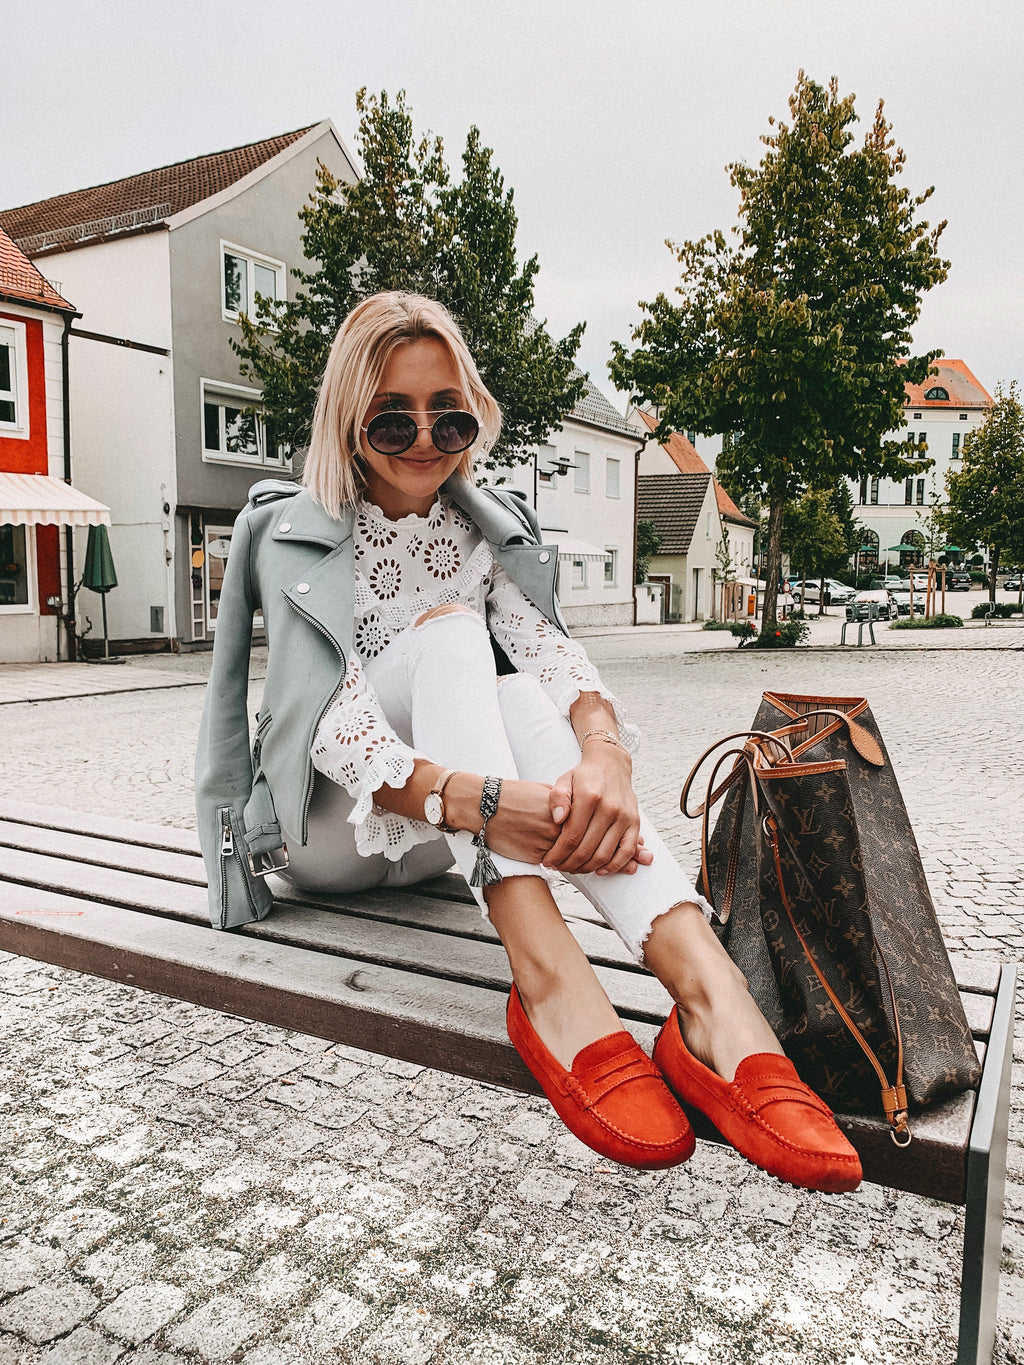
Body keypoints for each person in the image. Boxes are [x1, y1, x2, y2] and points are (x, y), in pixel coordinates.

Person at [195, 291, 861, 1193]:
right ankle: (548, 974)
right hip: (331, 836)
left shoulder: (485, 523)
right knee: (450, 632)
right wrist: (490, 804)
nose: (425, 437)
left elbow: (553, 650)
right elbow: (333, 728)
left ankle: (710, 996)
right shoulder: (295, 530)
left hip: (440, 851)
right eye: (393, 418)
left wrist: (605, 761)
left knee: (520, 692)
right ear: (350, 422)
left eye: (447, 413)